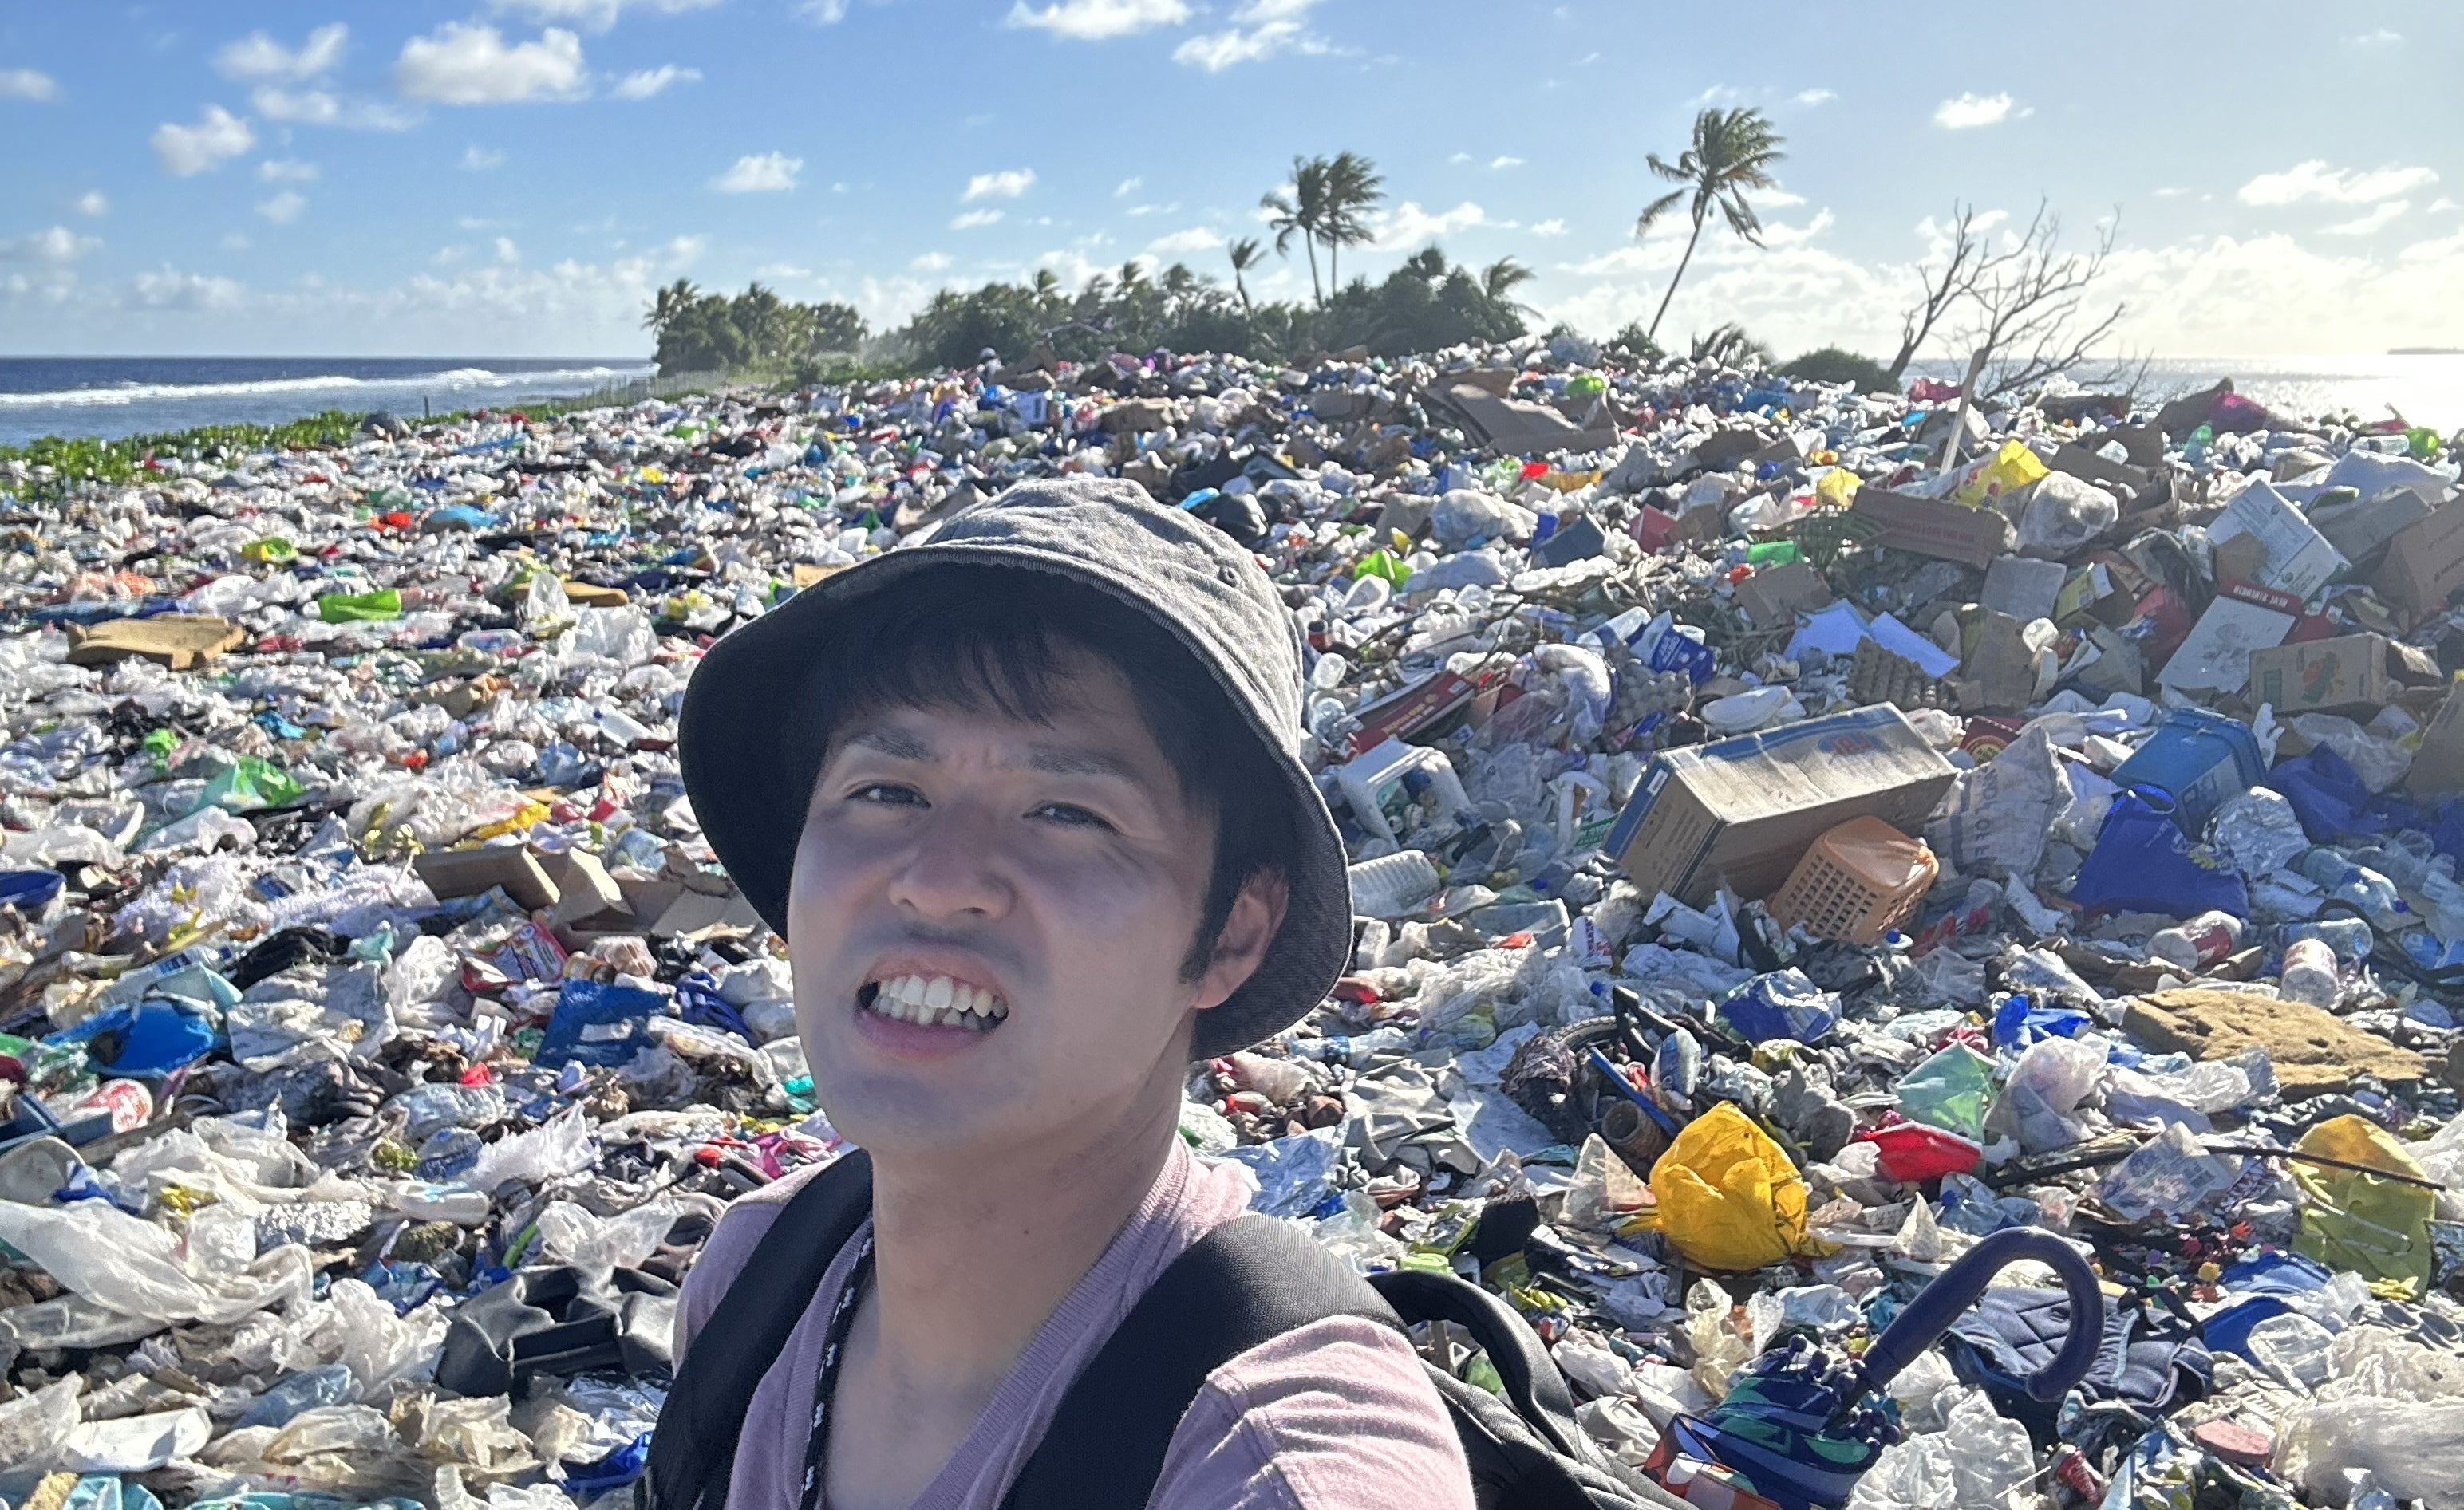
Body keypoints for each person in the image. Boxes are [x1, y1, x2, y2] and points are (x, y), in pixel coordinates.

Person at [671, 478, 1475, 1510]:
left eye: (1065, 811)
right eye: (887, 791)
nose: (938, 880)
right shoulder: (757, 1288)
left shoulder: (1276, 1462)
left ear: (1232, 931)